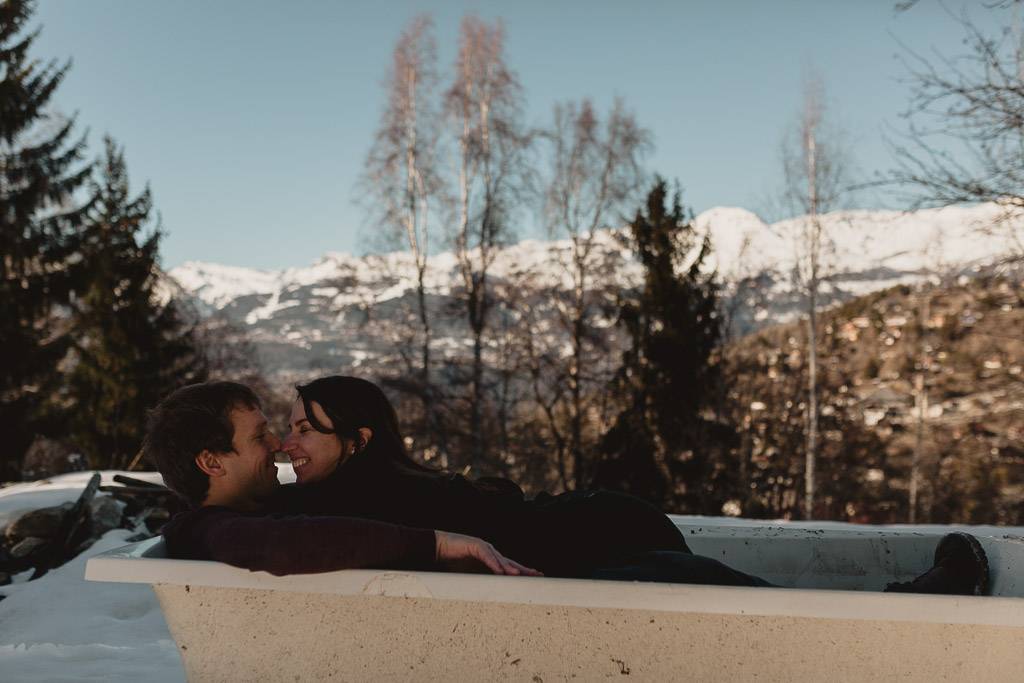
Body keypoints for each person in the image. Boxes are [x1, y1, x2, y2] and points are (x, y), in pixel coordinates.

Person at [272, 375, 990, 594]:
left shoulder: (371, 491)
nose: (287, 439)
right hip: (581, 562)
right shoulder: (336, 504)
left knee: (714, 586)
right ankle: (905, 605)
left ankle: (904, 607)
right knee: (715, 587)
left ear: (358, 440)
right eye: (287, 425)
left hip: (587, 536)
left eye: (304, 425)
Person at [142, 380, 540, 578]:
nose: (279, 444)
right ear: (212, 462)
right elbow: (283, 545)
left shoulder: (278, 503)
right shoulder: (208, 529)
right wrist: (438, 544)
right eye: (259, 436)